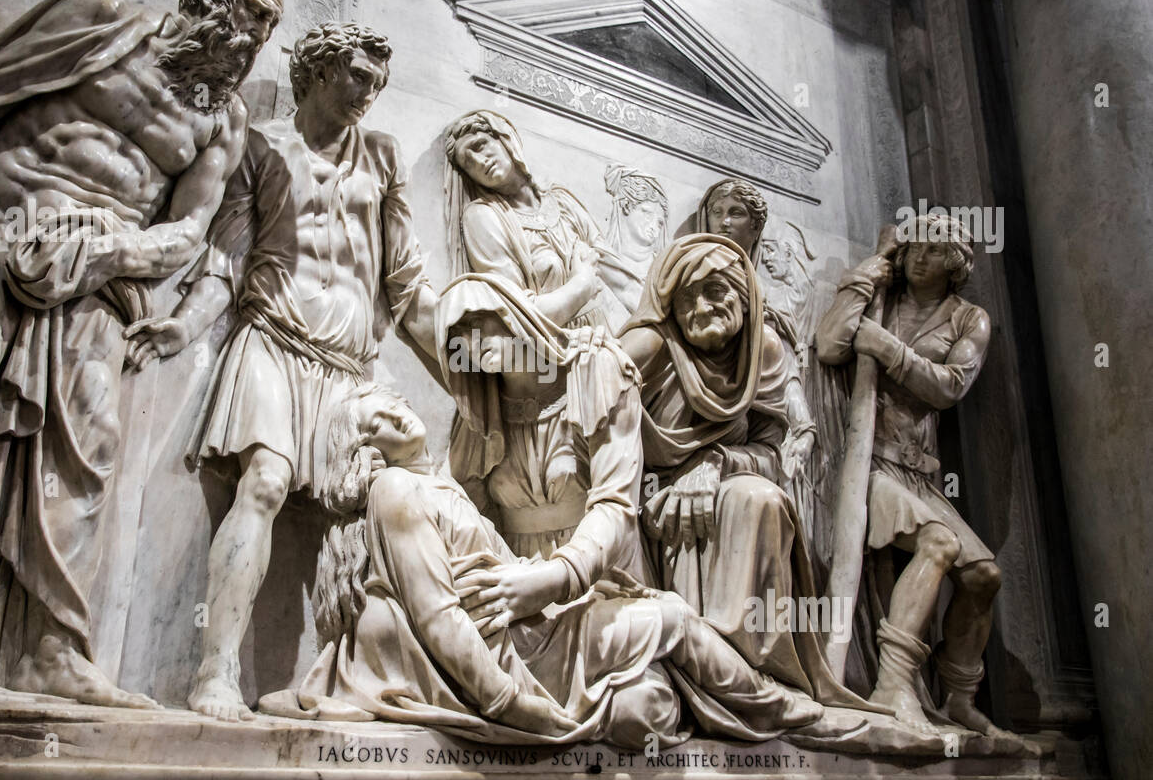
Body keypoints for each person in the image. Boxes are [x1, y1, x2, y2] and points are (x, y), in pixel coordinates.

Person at [0, 0, 283, 703]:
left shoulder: (224, 116)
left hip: (95, 282)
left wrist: (116, 249)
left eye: (269, 27)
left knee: (91, 447)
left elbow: (188, 232)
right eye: (252, 14)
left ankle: (49, 651)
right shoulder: (102, 19)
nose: (256, 38)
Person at [125, 22, 440, 722]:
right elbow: (229, 255)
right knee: (263, 481)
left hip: (351, 367)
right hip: (272, 337)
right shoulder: (261, 143)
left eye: (379, 82)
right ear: (318, 71)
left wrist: (468, 375)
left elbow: (406, 281)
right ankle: (215, 673)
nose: (370, 93)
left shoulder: (382, 156)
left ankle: (365, 682)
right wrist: (185, 320)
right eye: (357, 75)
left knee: (381, 512)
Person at [258, 382, 857, 748]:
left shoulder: (432, 484)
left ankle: (760, 706)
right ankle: (789, 711)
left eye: (386, 407)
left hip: (538, 629)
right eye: (374, 428)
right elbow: (438, 617)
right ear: (368, 453)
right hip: (522, 654)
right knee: (672, 616)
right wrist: (511, 706)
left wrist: (567, 588)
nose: (394, 420)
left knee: (650, 681)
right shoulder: (395, 491)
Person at [619, 233, 871, 711]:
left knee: (762, 500)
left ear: (744, 293)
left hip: (726, 485)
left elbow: (775, 453)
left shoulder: (763, 351)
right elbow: (594, 407)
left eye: (716, 292)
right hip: (643, 498)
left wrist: (715, 463)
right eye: (686, 298)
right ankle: (699, 669)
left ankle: (750, 671)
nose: (702, 309)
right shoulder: (653, 348)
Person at [817, 215, 1004, 735]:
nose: (921, 258)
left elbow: (948, 388)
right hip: (867, 462)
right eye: (915, 247)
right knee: (938, 544)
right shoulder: (883, 297)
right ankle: (893, 685)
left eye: (935, 250)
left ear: (956, 262)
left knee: (984, 576)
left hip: (919, 474)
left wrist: (888, 350)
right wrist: (871, 271)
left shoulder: (969, 319)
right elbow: (830, 346)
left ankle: (960, 697)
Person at [439, 272, 644, 600]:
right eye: (457, 334)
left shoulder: (594, 371)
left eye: (478, 319)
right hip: (513, 582)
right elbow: (461, 510)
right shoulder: (479, 416)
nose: (469, 341)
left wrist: (557, 577)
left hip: (599, 576)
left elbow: (616, 505)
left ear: (515, 312)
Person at [695, 178, 816, 482]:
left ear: (756, 226)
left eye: (736, 213)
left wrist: (804, 427)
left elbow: (781, 364)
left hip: (760, 416)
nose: (723, 222)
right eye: (716, 211)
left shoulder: (769, 294)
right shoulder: (693, 272)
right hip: (702, 399)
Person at [443, 109, 605, 329]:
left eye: (480, 145)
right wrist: (582, 285)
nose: (479, 161)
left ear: (505, 138)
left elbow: (616, 277)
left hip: (606, 331)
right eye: (468, 163)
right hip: (556, 349)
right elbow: (517, 315)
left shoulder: (561, 200)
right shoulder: (483, 216)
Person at [596, 163, 669, 333]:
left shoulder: (662, 270)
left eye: (660, 222)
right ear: (627, 206)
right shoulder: (598, 258)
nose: (654, 227)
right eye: (647, 213)